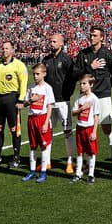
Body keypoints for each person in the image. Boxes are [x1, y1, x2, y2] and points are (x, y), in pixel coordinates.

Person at [75, 26, 112, 176]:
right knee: (87, 131)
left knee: (107, 130)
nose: (92, 37)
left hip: (103, 97)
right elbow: (76, 73)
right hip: (87, 98)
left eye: (95, 35)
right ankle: (89, 165)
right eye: (91, 35)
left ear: (102, 37)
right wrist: (90, 67)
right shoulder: (83, 54)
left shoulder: (107, 54)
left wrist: (106, 88)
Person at [0, 40, 27, 168]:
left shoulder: (19, 65)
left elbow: (23, 83)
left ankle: (16, 157)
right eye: (3, 48)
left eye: (7, 48)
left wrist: (21, 100)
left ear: (12, 50)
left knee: (14, 129)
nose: (4, 50)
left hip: (12, 99)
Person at [41, 32, 76, 174]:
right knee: (47, 131)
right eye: (51, 41)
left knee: (67, 131)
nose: (52, 44)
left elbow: (72, 79)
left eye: (54, 41)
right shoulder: (46, 60)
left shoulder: (67, 59)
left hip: (62, 101)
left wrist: (67, 94)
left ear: (61, 43)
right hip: (49, 103)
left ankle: (69, 161)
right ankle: (46, 161)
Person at [22, 63, 55, 183]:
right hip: (31, 119)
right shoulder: (31, 87)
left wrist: (46, 122)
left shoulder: (47, 88)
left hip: (42, 118)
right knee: (33, 146)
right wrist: (31, 100)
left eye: (38, 74)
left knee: (44, 146)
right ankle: (32, 171)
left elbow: (50, 106)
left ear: (44, 74)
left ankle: (44, 172)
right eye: (34, 74)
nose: (35, 76)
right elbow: (25, 104)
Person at [71, 74, 99, 184]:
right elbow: (73, 112)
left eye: (84, 83)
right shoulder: (79, 98)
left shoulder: (94, 99)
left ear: (91, 85)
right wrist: (82, 108)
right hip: (80, 128)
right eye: (81, 83)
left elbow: (96, 116)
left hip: (89, 128)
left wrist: (94, 131)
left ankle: (91, 174)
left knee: (91, 152)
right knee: (80, 151)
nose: (81, 86)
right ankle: (78, 173)